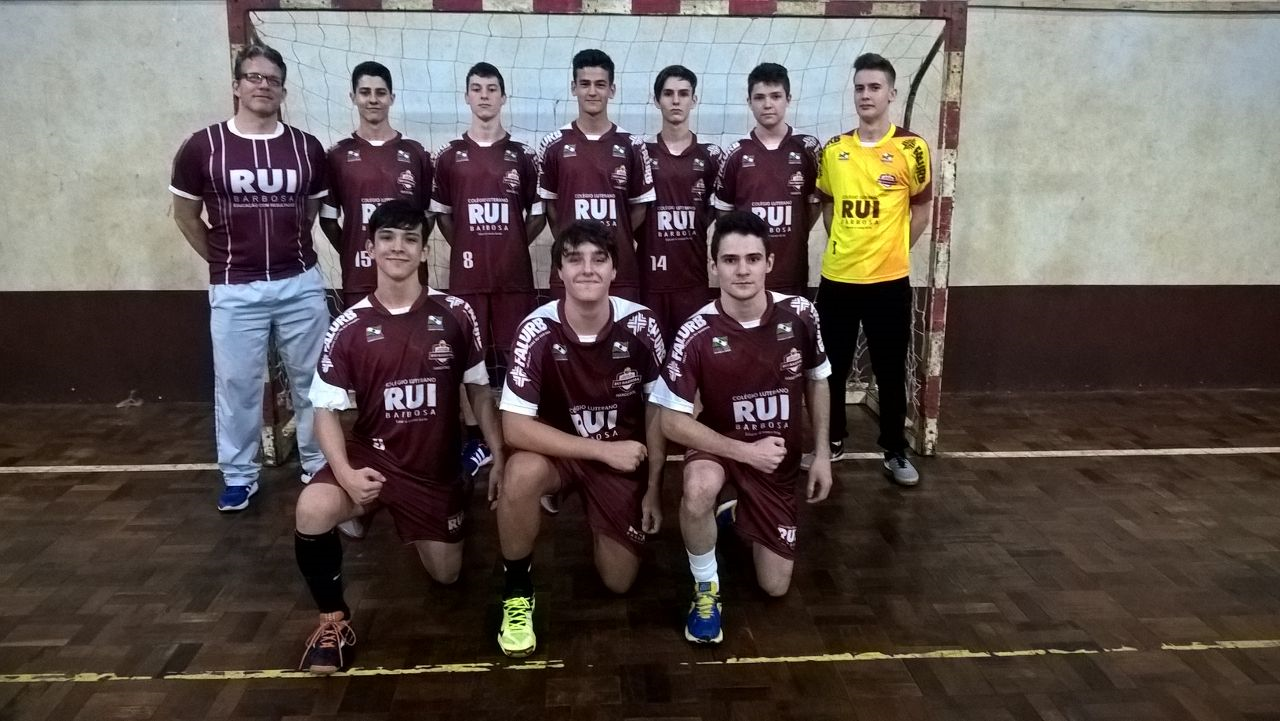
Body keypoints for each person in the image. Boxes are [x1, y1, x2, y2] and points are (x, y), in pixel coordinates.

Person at [294, 199, 505, 674]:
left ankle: (430, 500)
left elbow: (479, 390)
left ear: (425, 250)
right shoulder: (348, 326)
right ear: (369, 248)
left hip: (433, 469)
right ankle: (333, 621)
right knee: (312, 508)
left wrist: (498, 452)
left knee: (448, 576)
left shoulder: (456, 313)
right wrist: (346, 474)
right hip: (372, 460)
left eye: (411, 239)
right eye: (387, 238)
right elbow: (324, 411)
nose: (398, 247)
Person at [650, 210, 832, 645]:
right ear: (714, 266)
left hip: (776, 464)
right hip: (719, 447)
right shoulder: (696, 331)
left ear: (770, 262)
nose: (742, 270)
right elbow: (671, 420)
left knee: (775, 587)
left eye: (752, 259)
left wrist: (822, 453)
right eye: (730, 260)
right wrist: (745, 452)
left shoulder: (801, 314)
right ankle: (705, 588)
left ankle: (736, 513)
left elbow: (818, 379)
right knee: (698, 489)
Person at [494, 220, 667, 658]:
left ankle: (601, 510)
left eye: (599, 259)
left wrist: (653, 488)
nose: (587, 269)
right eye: (574, 259)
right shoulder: (536, 329)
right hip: (563, 452)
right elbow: (514, 427)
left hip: (620, 460)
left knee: (619, 582)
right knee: (521, 472)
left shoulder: (642, 325)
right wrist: (602, 450)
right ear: (559, 272)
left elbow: (657, 411)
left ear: (614, 270)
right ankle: (517, 591)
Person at [170, 43, 330, 512]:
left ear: (283, 91)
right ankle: (239, 475)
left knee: (313, 382)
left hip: (300, 283)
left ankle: (317, 463)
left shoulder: (306, 147)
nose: (264, 86)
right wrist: (225, 262)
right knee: (237, 385)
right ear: (237, 86)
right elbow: (184, 215)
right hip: (235, 288)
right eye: (254, 77)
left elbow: (310, 212)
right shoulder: (203, 147)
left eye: (273, 80)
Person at [815, 53, 932, 486]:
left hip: (888, 282)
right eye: (860, 88)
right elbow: (829, 206)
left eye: (875, 87)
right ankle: (832, 441)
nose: (866, 95)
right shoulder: (834, 149)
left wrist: (891, 250)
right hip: (838, 280)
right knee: (831, 368)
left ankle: (895, 450)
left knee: (889, 369)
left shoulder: (912, 149)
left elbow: (921, 211)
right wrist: (846, 246)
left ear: (891, 94)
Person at [431, 62, 545, 478]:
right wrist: (467, 245)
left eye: (492, 88)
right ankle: (478, 439)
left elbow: (538, 215)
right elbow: (443, 217)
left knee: (518, 358)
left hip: (514, 279)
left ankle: (519, 434)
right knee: (471, 362)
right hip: (468, 280)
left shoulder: (524, 156)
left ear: (503, 97)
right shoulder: (448, 157)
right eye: (476, 88)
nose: (484, 95)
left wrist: (511, 245)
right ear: (466, 96)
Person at [536, 49, 654, 302]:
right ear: (574, 88)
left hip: (620, 271)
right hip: (570, 272)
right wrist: (573, 242)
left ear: (612, 90)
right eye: (585, 84)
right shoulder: (553, 144)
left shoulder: (632, 145)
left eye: (600, 85)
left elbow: (639, 209)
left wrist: (612, 240)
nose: (592, 92)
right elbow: (551, 209)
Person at [320, 61, 434, 309]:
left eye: (380, 93)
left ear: (391, 98)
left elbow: (428, 216)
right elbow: (328, 220)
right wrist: (352, 252)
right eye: (365, 92)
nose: (373, 100)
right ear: (353, 97)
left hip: (410, 279)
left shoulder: (416, 153)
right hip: (359, 278)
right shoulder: (337, 155)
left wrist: (410, 251)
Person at [712, 63, 821, 297]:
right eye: (759, 97)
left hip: (793, 273)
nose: (768, 104)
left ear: (788, 99)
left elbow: (814, 205)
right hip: (748, 277)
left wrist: (796, 229)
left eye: (776, 96)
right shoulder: (736, 153)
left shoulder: (808, 148)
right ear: (749, 101)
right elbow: (724, 214)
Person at [642, 65, 722, 346]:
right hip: (650, 279)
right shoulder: (641, 152)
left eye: (683, 94)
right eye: (668, 94)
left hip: (693, 279)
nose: (676, 101)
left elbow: (717, 209)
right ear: (656, 100)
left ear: (694, 100)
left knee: (692, 355)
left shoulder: (711, 155)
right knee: (651, 357)